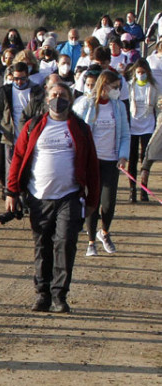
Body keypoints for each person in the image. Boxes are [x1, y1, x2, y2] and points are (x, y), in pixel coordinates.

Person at [5, 82, 99, 313]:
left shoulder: (81, 128)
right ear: (47, 99)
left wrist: (92, 201)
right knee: (42, 245)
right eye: (54, 95)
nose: (59, 98)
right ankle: (42, 294)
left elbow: (92, 165)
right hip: (39, 196)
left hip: (69, 196)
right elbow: (17, 158)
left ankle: (59, 295)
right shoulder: (33, 126)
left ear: (71, 98)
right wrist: (12, 192)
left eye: (63, 95)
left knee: (66, 243)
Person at [72, 70, 129, 257]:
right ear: (104, 86)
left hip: (111, 161)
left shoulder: (119, 107)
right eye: (114, 87)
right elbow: (76, 129)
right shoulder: (86, 105)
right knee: (92, 201)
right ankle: (90, 242)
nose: (117, 91)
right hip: (92, 161)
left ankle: (104, 232)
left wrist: (123, 156)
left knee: (109, 202)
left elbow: (125, 135)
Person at [0, 62, 45, 191]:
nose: (19, 82)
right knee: (10, 170)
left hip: (29, 137)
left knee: (28, 169)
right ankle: (11, 194)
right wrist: (4, 125)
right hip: (10, 137)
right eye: (16, 79)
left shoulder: (37, 91)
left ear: (28, 76)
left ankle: (25, 197)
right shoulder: (4, 91)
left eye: (22, 78)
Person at [128, 59, 158, 203]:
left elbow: (157, 106)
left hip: (148, 125)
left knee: (146, 158)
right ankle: (132, 190)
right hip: (133, 126)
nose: (140, 75)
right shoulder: (130, 86)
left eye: (143, 72)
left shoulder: (153, 86)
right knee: (132, 159)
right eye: (138, 72)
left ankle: (144, 189)